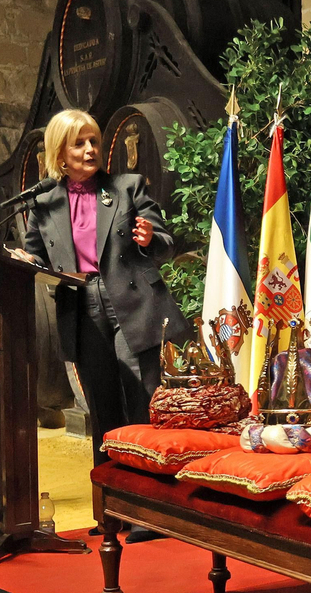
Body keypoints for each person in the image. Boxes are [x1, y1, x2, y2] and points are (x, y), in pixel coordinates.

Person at [15, 109, 187, 542]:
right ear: (60, 151)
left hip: (132, 302)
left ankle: (152, 514)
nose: (90, 150)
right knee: (103, 413)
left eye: (93, 140)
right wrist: (25, 262)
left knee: (141, 404)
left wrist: (152, 239)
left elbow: (166, 243)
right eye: (79, 143)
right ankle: (111, 510)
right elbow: (36, 256)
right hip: (80, 304)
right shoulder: (43, 202)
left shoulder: (128, 188)